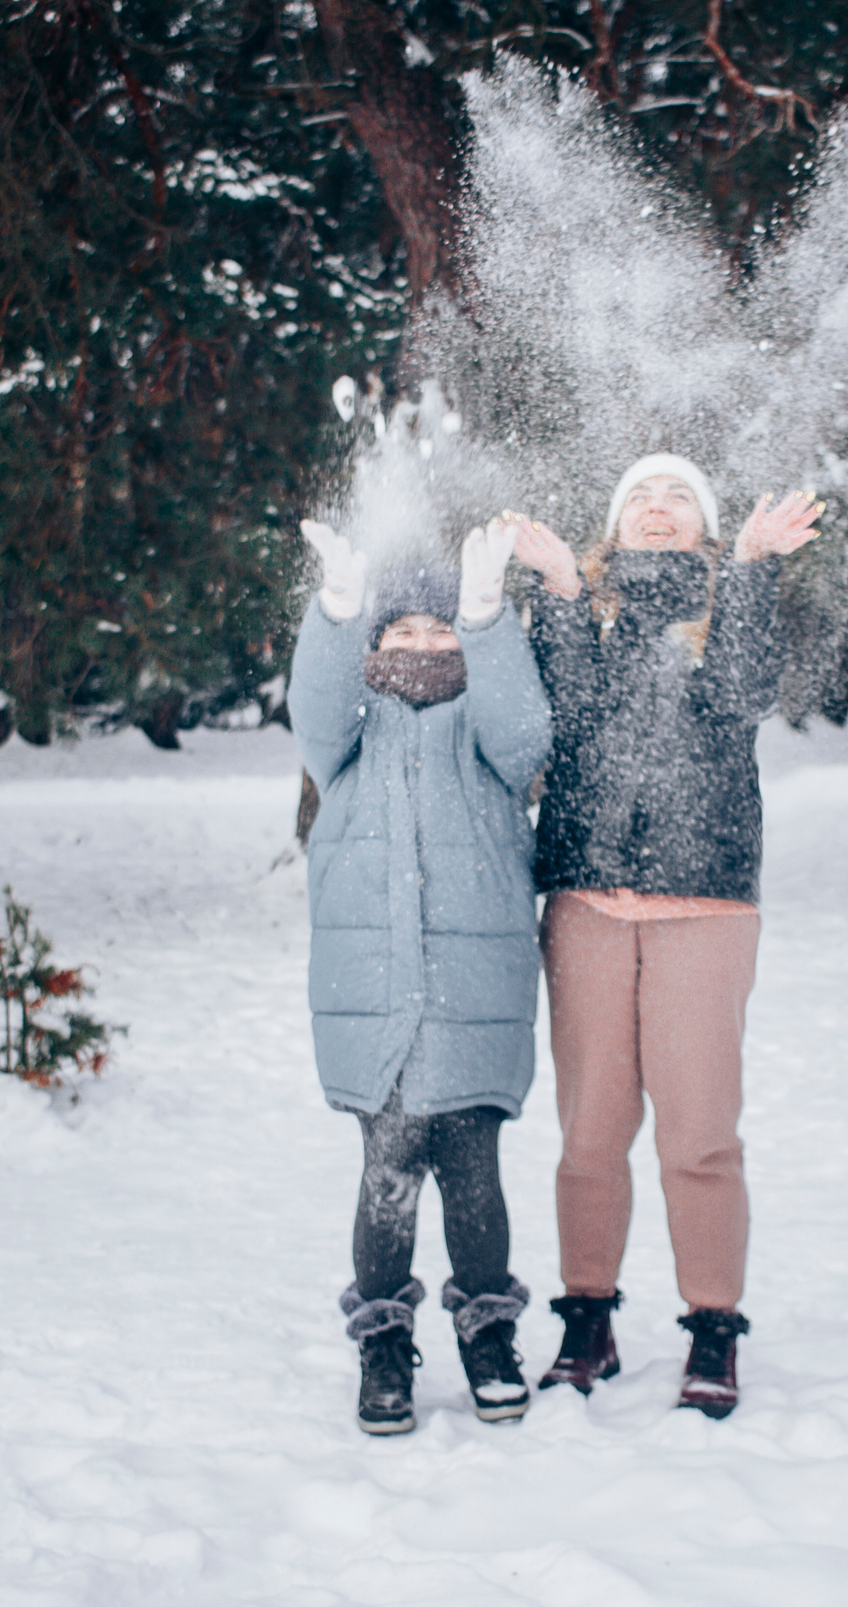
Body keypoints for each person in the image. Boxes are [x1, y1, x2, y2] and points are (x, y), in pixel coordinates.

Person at [508, 455, 822, 1418]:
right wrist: (562, 593)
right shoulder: (584, 613)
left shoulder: (728, 611)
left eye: (678, 495)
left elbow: (739, 695)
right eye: (640, 495)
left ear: (705, 526)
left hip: (705, 905)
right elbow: (567, 716)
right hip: (587, 903)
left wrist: (756, 570)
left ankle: (713, 1326)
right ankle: (586, 1321)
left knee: (699, 1136)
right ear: (615, 523)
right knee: (590, 1134)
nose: (657, 506)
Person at [289, 516, 553, 1436]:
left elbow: (527, 732)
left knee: (474, 1173)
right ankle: (383, 1343)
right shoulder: (349, 741)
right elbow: (314, 705)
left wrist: (487, 616)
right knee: (389, 1169)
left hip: (473, 996)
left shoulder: (485, 734)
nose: (422, 643)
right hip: (376, 995)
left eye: (441, 631)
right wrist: (336, 609)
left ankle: (488, 1334)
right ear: (374, 644)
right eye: (401, 628)